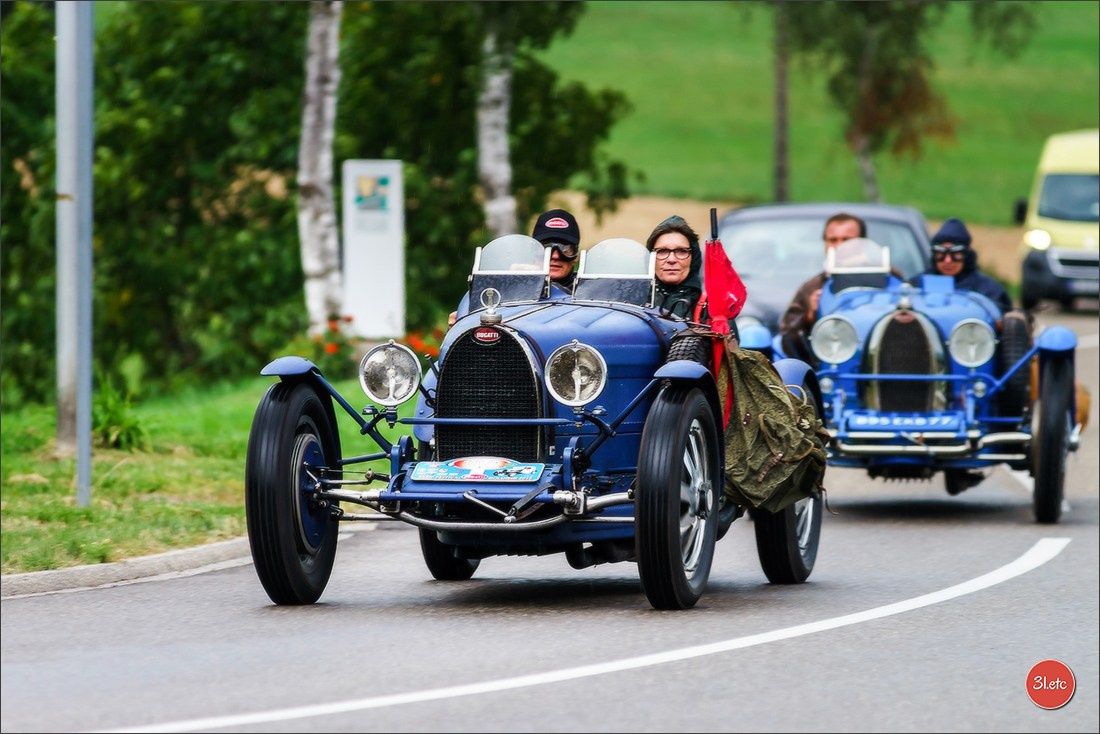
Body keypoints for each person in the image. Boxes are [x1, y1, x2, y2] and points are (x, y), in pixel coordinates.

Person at [448, 208, 582, 327]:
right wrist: (462, 323)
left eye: (566, 248)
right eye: (547, 248)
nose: (556, 256)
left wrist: (550, 286)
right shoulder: (507, 288)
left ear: (576, 255)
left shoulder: (587, 292)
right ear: (534, 251)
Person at [779, 212, 866, 359]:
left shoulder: (889, 280)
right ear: (825, 244)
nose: (839, 246)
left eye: (847, 240)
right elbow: (787, 339)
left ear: (862, 243)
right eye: (833, 240)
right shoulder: (812, 288)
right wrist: (810, 317)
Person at [916, 217, 1013, 315]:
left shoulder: (990, 291)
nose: (948, 260)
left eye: (956, 254)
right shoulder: (917, 284)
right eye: (941, 254)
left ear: (967, 256)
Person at [646, 215, 703, 319]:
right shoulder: (634, 300)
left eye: (682, 251)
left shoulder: (711, 307)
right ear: (650, 257)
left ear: (693, 258)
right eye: (662, 251)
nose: (671, 260)